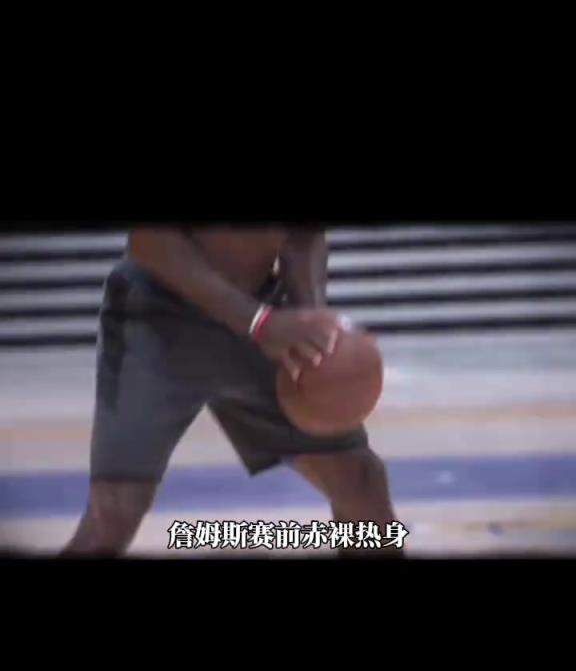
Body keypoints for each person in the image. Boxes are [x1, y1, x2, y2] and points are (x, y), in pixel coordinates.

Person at [63, 224, 402, 557]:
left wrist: (311, 317)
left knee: (359, 481)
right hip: (157, 314)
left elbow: (304, 237)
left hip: (257, 309)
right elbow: (149, 240)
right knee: (116, 510)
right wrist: (258, 323)